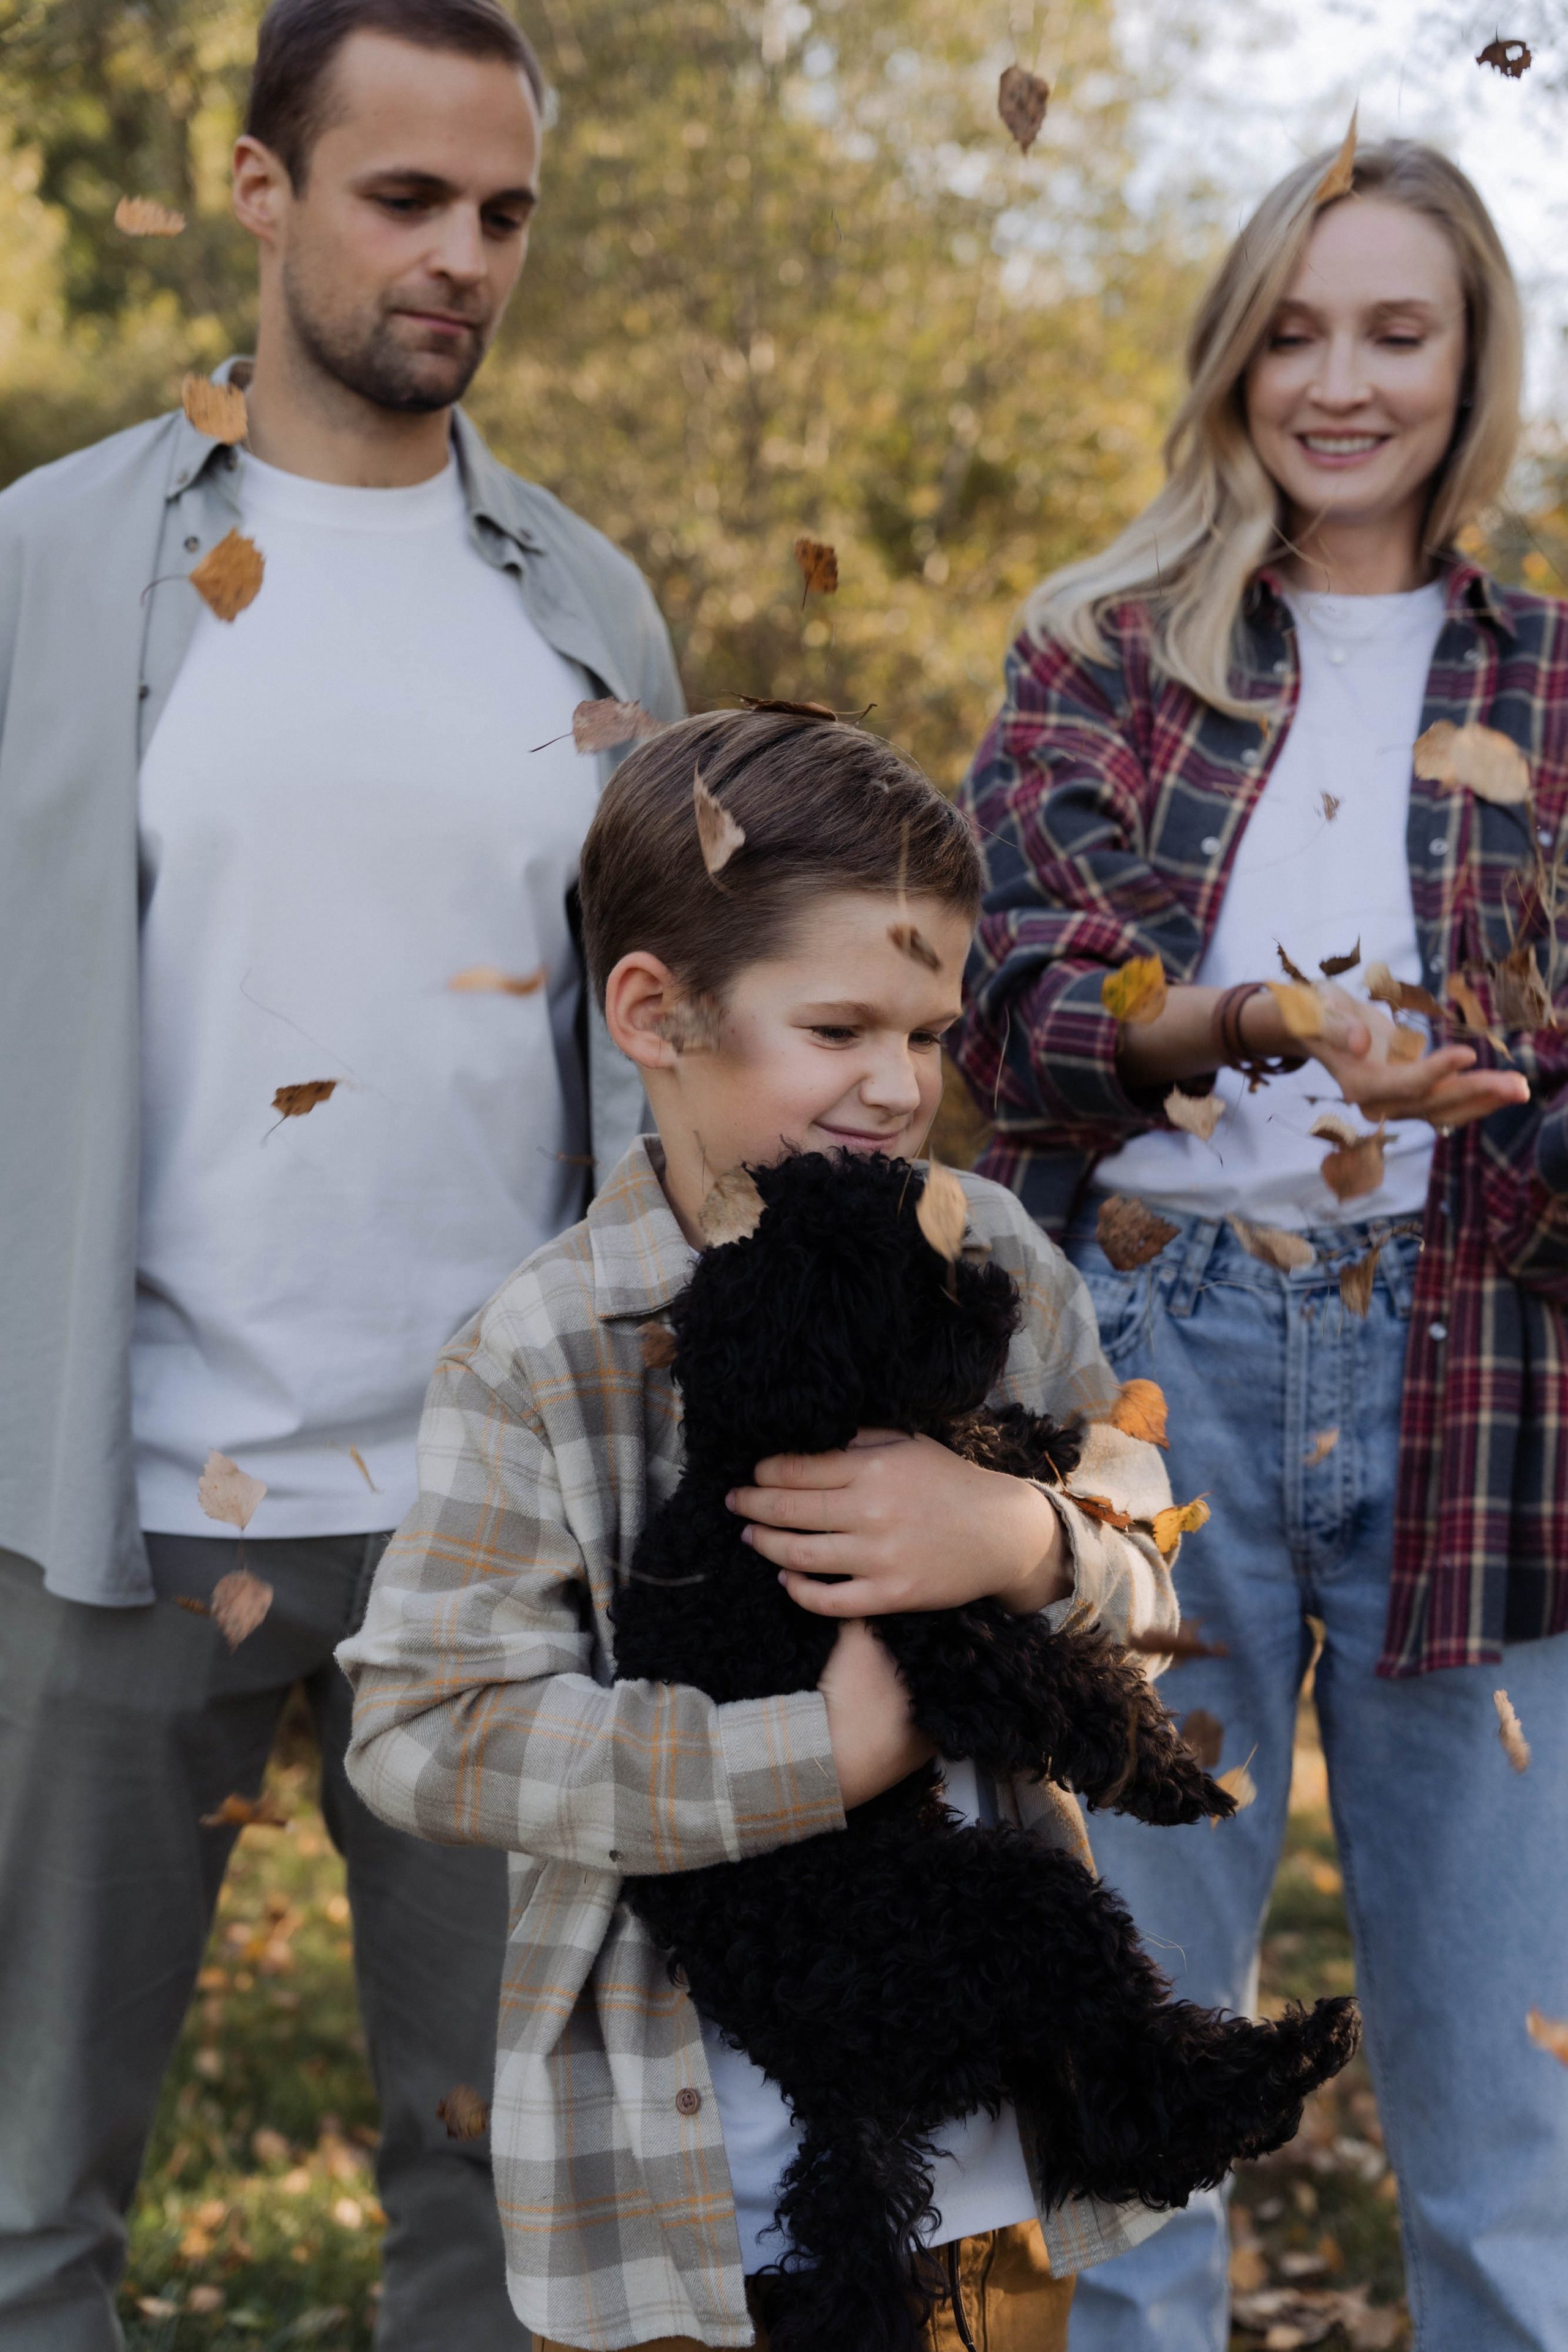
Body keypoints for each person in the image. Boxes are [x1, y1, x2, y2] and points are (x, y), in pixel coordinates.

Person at [0, 1, 682, 2344]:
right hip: (106, 1510)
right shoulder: (50, 568)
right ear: (261, 187)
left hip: (491, 1534)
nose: (461, 258)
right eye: (406, 198)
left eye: (502, 213)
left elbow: (657, 1060)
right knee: (21, 2204)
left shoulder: (585, 609)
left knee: (501, 2220)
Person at [337, 705, 1189, 2351]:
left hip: (988, 2157)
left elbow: (1147, 1563)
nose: (897, 1085)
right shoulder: (546, 1348)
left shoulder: (994, 1261)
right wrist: (821, 1750)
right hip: (682, 2191)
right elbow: (429, 1730)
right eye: (840, 1026)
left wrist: (1022, 1540)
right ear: (658, 1012)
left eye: (931, 1034)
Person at [951, 135, 1568, 2352]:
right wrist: (1241, 1029)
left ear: (1470, 358)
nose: (1338, 381)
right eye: (1295, 330)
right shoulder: (1105, 657)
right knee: (1117, 2081)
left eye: (1395, 331)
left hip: (1483, 1376)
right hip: (1145, 1373)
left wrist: (1494, 1097)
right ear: (1234, 357)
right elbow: (1012, 998)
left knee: (1517, 2112)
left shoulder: (1560, 684)